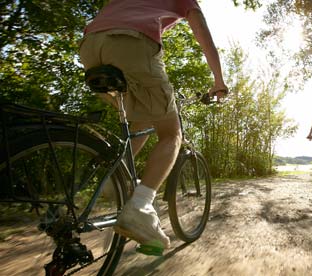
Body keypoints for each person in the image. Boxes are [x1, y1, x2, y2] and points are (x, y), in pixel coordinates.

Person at [79, 0, 228, 252]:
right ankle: (140, 206)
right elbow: (201, 28)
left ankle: (111, 179)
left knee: (143, 117)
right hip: (129, 43)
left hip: (90, 46)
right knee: (171, 133)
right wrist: (219, 80)